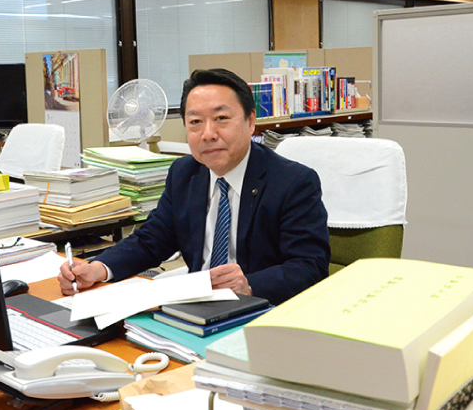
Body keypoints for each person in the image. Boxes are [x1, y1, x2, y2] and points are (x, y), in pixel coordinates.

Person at [58, 69, 330, 305]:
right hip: (195, 306)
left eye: (221, 118)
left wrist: (250, 284)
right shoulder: (184, 174)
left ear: (250, 122)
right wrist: (99, 268)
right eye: (195, 122)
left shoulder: (292, 182)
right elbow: (152, 240)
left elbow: (310, 266)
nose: (208, 134)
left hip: (260, 310)